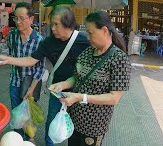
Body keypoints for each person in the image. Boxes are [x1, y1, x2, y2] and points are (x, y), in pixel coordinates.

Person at [0, 6, 90, 146]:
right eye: (52, 24)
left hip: (79, 90)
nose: (53, 28)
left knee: (77, 125)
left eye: (56, 24)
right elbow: (31, 60)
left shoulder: (84, 41)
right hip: (58, 90)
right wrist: (8, 59)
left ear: (68, 24)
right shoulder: (48, 42)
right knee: (51, 121)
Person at [49, 11, 131, 146]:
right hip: (74, 120)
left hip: (94, 125)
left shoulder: (119, 59)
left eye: (90, 32)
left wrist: (80, 97)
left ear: (104, 30)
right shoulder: (87, 52)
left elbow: (114, 98)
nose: (87, 37)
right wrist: (62, 84)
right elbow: (77, 77)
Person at [6, 2, 45, 140]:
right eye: (16, 18)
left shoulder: (39, 40)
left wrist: (32, 88)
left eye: (22, 18)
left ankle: (30, 139)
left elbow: (41, 68)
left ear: (31, 19)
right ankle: (17, 139)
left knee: (28, 114)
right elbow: (11, 54)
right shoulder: (12, 35)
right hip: (14, 81)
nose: (18, 22)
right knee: (17, 114)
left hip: (30, 85)